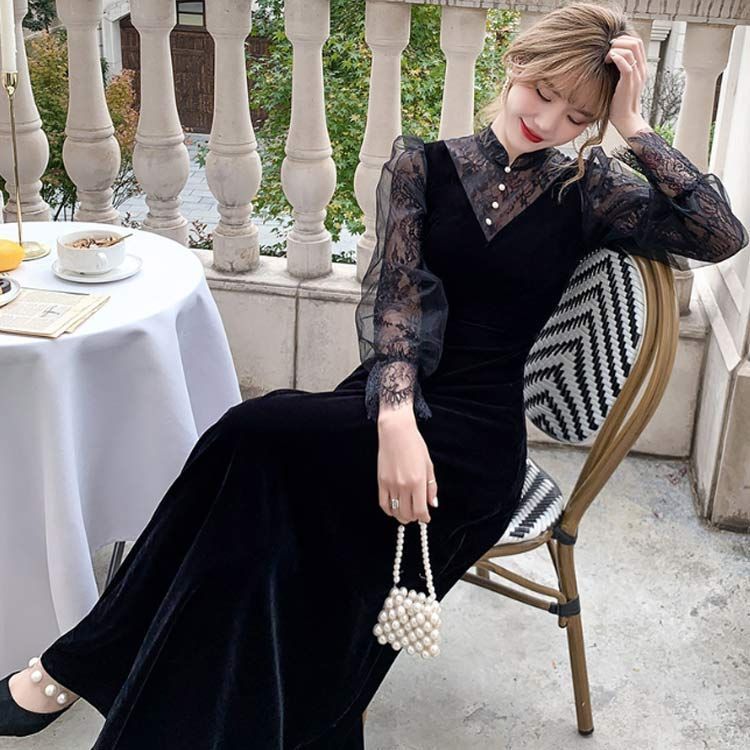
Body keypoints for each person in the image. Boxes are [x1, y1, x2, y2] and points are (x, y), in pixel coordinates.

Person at [1, 2, 747, 747]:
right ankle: (175, 691)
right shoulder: (424, 167)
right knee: (248, 504)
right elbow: (397, 301)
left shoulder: (585, 191)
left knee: (248, 442)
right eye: (543, 92)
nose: (548, 121)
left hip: (475, 447)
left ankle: (76, 667)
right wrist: (395, 422)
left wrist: (633, 124)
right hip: (389, 400)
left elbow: (719, 232)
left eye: (577, 116)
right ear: (517, 63)